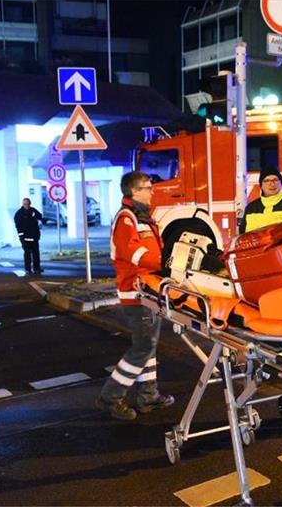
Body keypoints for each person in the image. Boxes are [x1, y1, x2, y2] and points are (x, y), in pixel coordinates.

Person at [95, 171, 175, 420]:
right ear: (134, 191)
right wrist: (167, 263)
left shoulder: (141, 217)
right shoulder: (126, 218)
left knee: (149, 346)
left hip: (149, 290)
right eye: (148, 188)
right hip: (137, 291)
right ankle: (110, 397)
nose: (152, 191)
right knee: (142, 347)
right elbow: (134, 253)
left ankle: (148, 395)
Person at [239, 164, 282, 233]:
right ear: (261, 185)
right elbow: (242, 235)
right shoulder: (251, 208)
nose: (272, 184)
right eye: (267, 181)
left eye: (275, 180)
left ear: (281, 183)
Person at [14, 198, 43, 276]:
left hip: (34, 236)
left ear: (30, 204)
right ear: (23, 204)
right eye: (25, 204)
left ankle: (37, 268)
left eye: (28, 204)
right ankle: (28, 269)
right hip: (25, 237)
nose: (26, 205)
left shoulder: (33, 210)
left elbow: (40, 216)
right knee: (27, 253)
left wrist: (36, 216)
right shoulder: (19, 213)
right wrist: (21, 236)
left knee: (36, 253)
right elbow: (18, 226)